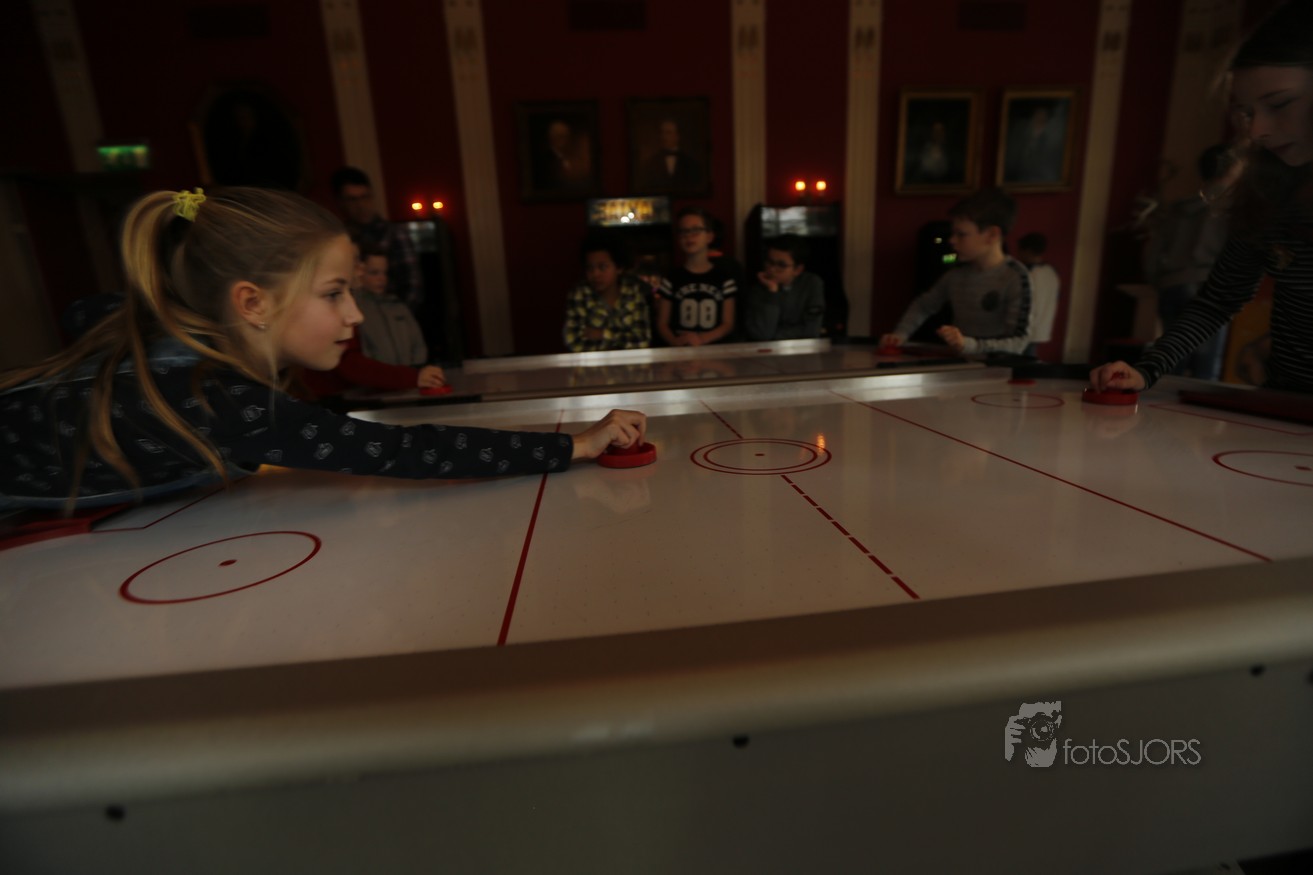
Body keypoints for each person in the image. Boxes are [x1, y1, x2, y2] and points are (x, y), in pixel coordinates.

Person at [0, 187, 645, 511]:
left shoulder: (162, 344)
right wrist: (575, 446)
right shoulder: (219, 401)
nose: (354, 314)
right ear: (252, 303)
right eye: (334, 293)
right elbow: (403, 452)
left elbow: (85, 311)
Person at [1092, 2, 1313, 394]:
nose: (1257, 130)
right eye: (1247, 113)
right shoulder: (1271, 195)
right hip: (1284, 408)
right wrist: (1147, 370)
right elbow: (1217, 300)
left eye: (1279, 104)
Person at [880, 188, 1032, 355]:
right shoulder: (956, 274)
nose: (952, 240)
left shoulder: (1015, 277)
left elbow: (1018, 342)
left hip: (998, 367)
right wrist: (900, 334)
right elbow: (924, 305)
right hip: (961, 364)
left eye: (961, 234)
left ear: (992, 235)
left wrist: (968, 345)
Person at [1139, 145, 1236, 380]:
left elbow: (1152, 254)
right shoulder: (1229, 209)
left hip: (1171, 285)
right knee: (1206, 368)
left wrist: (1160, 282)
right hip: (1208, 287)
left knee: (1172, 361)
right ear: (1232, 169)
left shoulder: (1178, 208)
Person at [300, 243, 446, 398]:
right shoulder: (331, 308)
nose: (361, 269)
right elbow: (350, 364)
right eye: (355, 262)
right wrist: (411, 376)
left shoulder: (395, 305)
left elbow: (417, 345)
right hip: (334, 397)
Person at [329, 166, 423, 312]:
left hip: (392, 312)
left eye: (365, 197)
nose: (360, 205)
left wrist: (397, 316)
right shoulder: (339, 238)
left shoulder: (394, 233)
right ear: (340, 202)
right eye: (352, 199)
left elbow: (413, 283)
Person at [656, 207, 742, 347]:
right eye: (684, 231)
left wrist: (701, 339)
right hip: (681, 351)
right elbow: (662, 323)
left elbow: (728, 323)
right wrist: (675, 342)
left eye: (696, 230)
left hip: (713, 351)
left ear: (709, 236)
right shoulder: (672, 278)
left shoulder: (724, 278)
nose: (689, 236)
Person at [562, 233, 651, 352]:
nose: (595, 274)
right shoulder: (580, 294)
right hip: (592, 364)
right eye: (590, 268)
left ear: (619, 268)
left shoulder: (633, 292)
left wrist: (604, 334)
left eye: (602, 267)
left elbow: (642, 340)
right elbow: (574, 342)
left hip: (630, 363)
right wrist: (620, 341)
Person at [353, 248, 429, 367]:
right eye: (374, 273)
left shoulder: (397, 307)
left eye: (385, 273)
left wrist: (414, 370)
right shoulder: (355, 310)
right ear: (360, 273)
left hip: (408, 374)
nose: (382, 278)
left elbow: (418, 345)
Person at [743, 234, 826, 341]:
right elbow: (763, 334)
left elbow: (811, 330)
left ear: (798, 270)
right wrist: (772, 291)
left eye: (781, 265)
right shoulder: (759, 288)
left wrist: (775, 336)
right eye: (770, 262)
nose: (772, 269)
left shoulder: (811, 283)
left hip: (802, 348)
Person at [1016, 232, 1061, 358]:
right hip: (1042, 329)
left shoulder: (1026, 273)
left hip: (1026, 330)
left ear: (1027, 250)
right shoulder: (1051, 272)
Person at [637, 119, 704, 194]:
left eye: (668, 133)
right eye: (662, 133)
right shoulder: (650, 163)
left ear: (677, 136)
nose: (663, 137)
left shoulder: (691, 163)